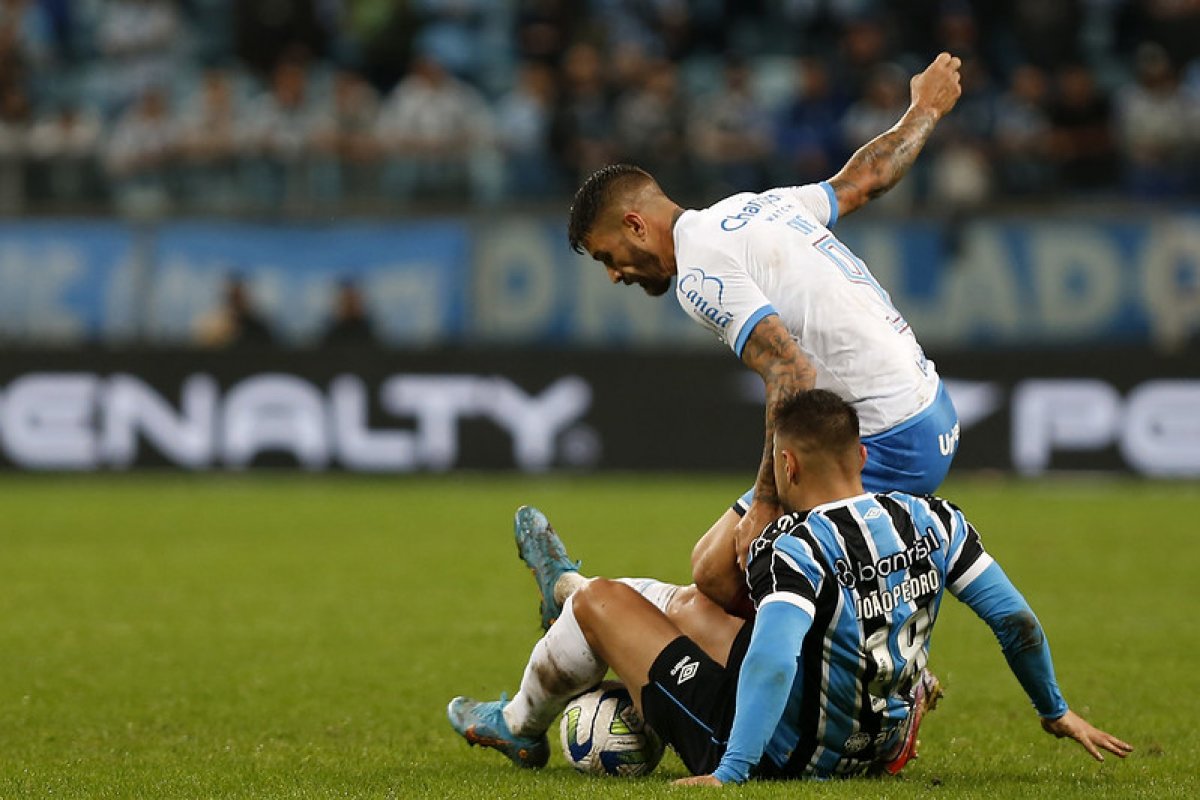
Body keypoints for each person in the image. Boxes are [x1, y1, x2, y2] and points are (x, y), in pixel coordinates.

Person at [447, 390, 1132, 783]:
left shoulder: (797, 544)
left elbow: (774, 658)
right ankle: (566, 599)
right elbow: (1015, 621)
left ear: (787, 466)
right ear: (861, 455)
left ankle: (524, 715)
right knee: (692, 608)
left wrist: (732, 771)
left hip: (786, 755)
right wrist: (1055, 709)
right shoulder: (935, 517)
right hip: (880, 747)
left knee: (602, 601)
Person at [566, 53, 966, 615]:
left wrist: (768, 502)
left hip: (891, 438)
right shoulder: (760, 207)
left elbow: (791, 370)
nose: (614, 275)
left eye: (608, 256)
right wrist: (924, 109)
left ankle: (877, 666)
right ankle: (585, 602)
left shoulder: (698, 274)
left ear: (634, 225)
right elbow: (864, 181)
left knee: (724, 572)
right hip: (933, 410)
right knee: (715, 566)